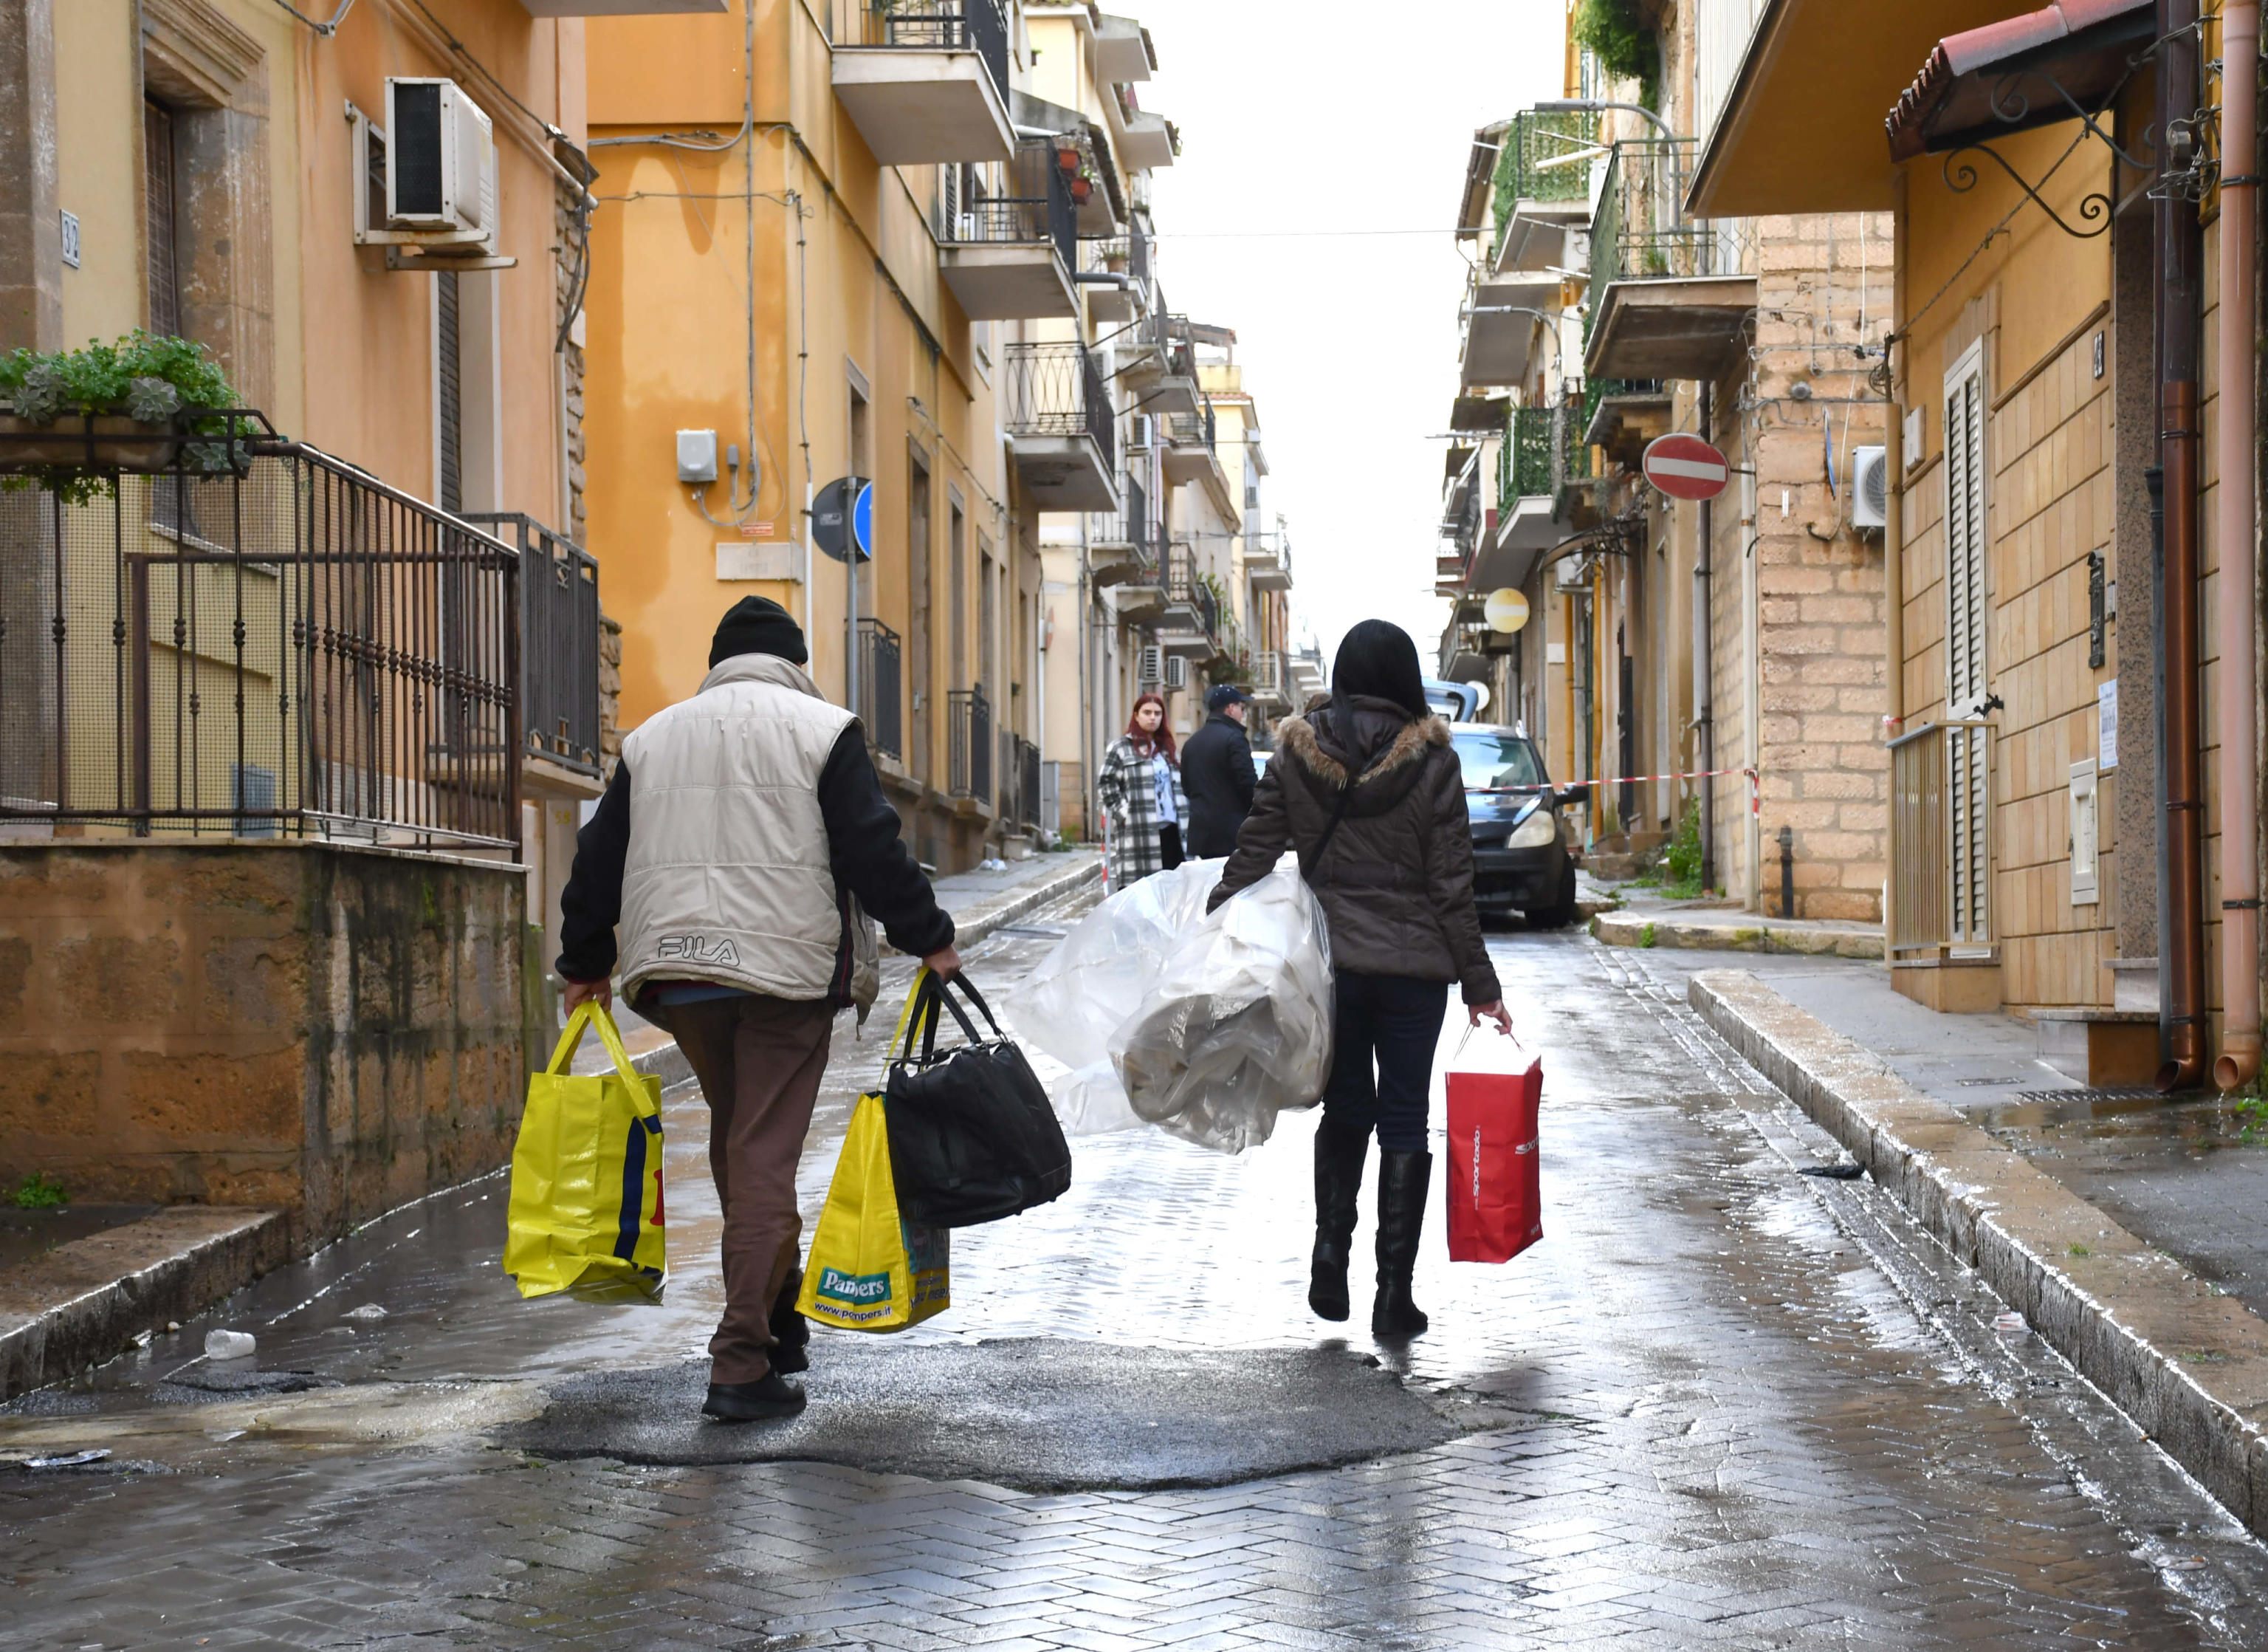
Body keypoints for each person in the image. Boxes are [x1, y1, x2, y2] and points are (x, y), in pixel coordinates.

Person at [554, 594, 961, 1424]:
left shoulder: (652, 735)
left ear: (718, 661)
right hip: (782, 974)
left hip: (677, 977)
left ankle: (780, 1316)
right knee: (766, 1156)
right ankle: (740, 1361)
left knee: (744, 1144)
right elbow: (872, 847)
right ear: (794, 659)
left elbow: (599, 854)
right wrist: (931, 937)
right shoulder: (821, 727)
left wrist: (584, 961)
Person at [1206, 620, 1510, 1342]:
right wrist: (1480, 982)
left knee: (1346, 1110)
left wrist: (1211, 922)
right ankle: (1392, 1295)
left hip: (1331, 972)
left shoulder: (1297, 752)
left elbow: (1255, 850)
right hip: (1414, 973)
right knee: (1404, 1117)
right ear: (1405, 675)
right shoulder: (1434, 761)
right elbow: (1451, 882)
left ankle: (1328, 1254)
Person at [1095, 692, 1188, 888]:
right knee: (1140, 891)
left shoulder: (1167, 748)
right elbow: (1106, 783)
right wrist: (1125, 814)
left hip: (1172, 831)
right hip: (1139, 831)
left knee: (1172, 890)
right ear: (1136, 715)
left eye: (1157, 713)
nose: (1152, 717)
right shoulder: (1121, 747)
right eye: (1147, 712)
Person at [1179, 683, 1258, 859]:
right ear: (1231, 709)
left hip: (1200, 835)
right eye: (1241, 708)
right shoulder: (1235, 739)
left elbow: (1187, 787)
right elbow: (1248, 784)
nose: (1243, 713)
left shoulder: (1191, 743)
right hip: (1232, 834)